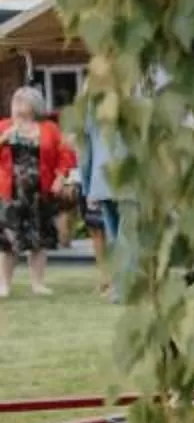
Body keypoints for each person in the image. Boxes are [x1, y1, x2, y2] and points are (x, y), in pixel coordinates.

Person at [0, 88, 74, 298]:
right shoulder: (3, 126)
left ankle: (38, 284)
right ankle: (4, 285)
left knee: (39, 241)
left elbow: (65, 155)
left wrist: (60, 177)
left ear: (34, 106)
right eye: (15, 102)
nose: (17, 106)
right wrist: (3, 139)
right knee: (8, 242)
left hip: (40, 193)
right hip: (11, 193)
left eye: (22, 102)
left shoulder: (49, 128)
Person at [77, 104, 126, 300]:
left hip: (102, 179)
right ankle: (122, 289)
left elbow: (85, 150)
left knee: (115, 236)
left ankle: (119, 285)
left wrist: (87, 185)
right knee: (125, 236)